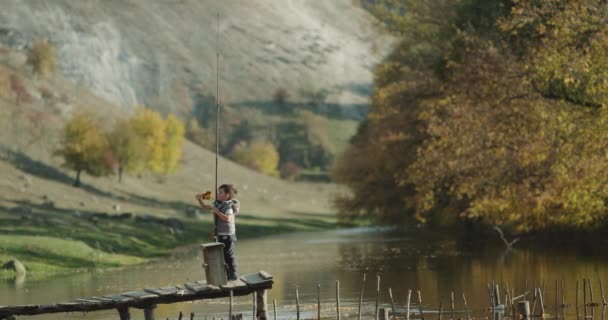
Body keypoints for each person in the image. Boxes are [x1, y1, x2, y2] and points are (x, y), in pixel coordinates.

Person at [196, 184, 240, 281]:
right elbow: (205, 206)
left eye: (220, 192)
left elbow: (227, 218)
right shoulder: (218, 203)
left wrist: (217, 212)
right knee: (223, 255)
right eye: (218, 192)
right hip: (221, 233)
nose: (217, 194)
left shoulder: (228, 206)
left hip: (227, 234)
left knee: (229, 255)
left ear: (227, 195)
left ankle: (233, 274)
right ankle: (228, 274)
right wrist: (199, 199)